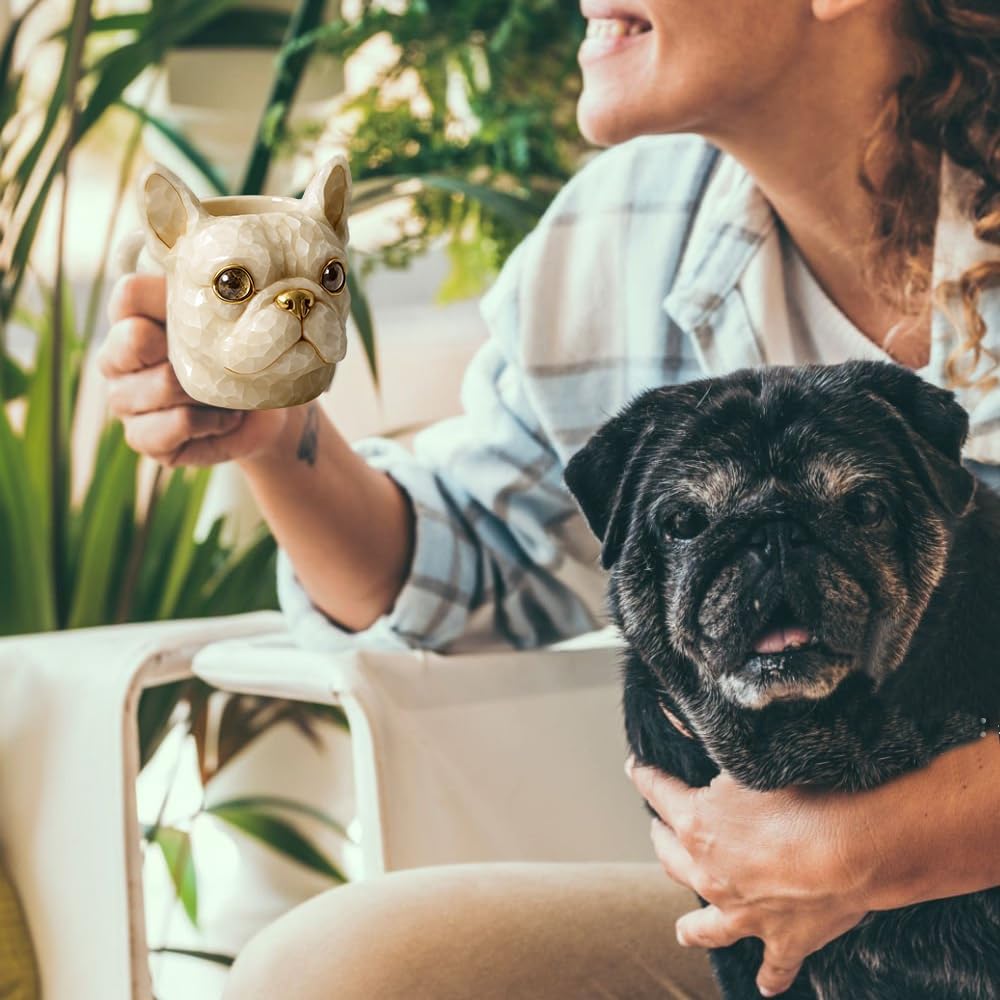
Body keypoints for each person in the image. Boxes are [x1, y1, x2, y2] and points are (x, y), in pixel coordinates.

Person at [100, 0, 1000, 996]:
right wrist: (279, 437)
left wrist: (860, 850)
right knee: (340, 968)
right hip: (776, 933)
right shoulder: (615, 231)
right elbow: (469, 561)